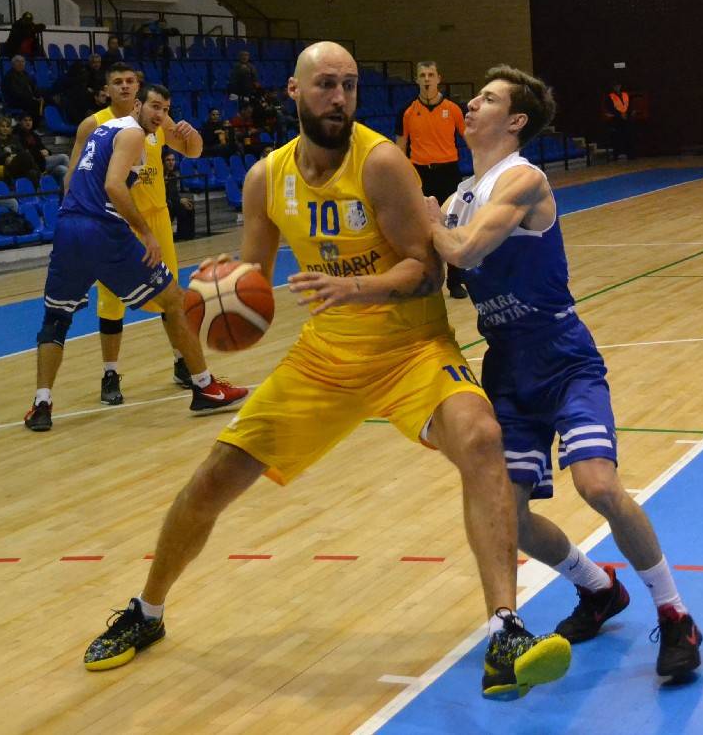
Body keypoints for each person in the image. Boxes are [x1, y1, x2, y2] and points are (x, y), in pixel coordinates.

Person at [79, 42, 571, 701]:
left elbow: (425, 269)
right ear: (294, 90)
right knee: (212, 479)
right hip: (325, 357)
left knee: (482, 440)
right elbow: (254, 270)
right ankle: (147, 610)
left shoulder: (382, 164)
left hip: (410, 350)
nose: (338, 98)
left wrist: (357, 290)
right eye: (325, 86)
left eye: (349, 86)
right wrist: (220, 289)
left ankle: (506, 629)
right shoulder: (266, 178)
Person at [424, 65, 703, 680]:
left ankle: (676, 612)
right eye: (474, 96)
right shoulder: (454, 201)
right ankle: (598, 587)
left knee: (598, 486)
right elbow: (440, 275)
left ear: (516, 120)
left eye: (487, 98)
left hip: (562, 358)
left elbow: (467, 250)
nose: (470, 103)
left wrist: (426, 226)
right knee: (511, 516)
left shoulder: (523, 179)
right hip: (505, 368)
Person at [24, 87, 248, 430]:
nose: (160, 115)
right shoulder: (131, 134)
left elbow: (74, 180)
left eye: (166, 109)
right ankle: (205, 387)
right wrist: (144, 233)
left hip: (69, 227)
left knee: (56, 319)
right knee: (175, 300)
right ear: (138, 105)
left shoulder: (104, 130)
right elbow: (115, 186)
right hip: (103, 229)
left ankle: (42, 404)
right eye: (155, 107)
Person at [65, 68, 214, 400]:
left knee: (171, 296)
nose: (124, 86)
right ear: (106, 89)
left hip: (157, 218)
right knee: (112, 301)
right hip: (116, 220)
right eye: (117, 82)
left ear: (138, 88)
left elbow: (193, 151)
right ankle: (109, 374)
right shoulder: (94, 124)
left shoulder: (157, 118)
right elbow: (74, 173)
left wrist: (192, 135)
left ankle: (181, 362)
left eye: (130, 81)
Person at [396, 60, 468, 299]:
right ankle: (428, 279)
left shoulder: (454, 109)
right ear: (417, 79)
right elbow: (400, 149)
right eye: (422, 75)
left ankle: (456, 281)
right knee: (422, 230)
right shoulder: (406, 111)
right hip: (420, 174)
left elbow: (471, 140)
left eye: (431, 74)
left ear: (439, 78)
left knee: (452, 224)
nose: (427, 79)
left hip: (448, 172)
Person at [0, 116, 42, 184]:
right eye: (2, 126)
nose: (5, 129)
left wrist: (12, 156)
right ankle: (40, 174)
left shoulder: (14, 139)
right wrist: (8, 156)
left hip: (19, 163)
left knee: (31, 173)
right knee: (26, 155)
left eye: (7, 126)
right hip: (6, 167)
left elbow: (21, 150)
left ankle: (36, 186)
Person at [15, 112, 69, 180]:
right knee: (64, 157)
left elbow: (43, 148)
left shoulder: (34, 135)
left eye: (30, 120)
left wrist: (47, 151)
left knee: (63, 169)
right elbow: (25, 153)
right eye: (25, 120)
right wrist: (40, 153)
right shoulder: (18, 136)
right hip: (35, 164)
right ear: (20, 122)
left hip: (43, 160)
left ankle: (68, 189)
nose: (28, 122)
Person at [162, 150, 195, 240]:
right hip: (164, 203)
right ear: (163, 162)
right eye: (168, 160)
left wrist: (181, 199)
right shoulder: (159, 177)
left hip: (172, 201)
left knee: (189, 204)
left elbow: (174, 193)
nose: (171, 162)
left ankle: (187, 234)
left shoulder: (173, 176)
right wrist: (179, 200)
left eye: (173, 160)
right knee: (178, 206)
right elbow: (163, 196)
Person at [2, 55, 43, 122]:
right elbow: (15, 93)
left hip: (26, 99)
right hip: (14, 101)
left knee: (46, 100)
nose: (21, 64)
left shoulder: (25, 74)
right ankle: (33, 125)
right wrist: (32, 98)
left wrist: (39, 96)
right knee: (34, 104)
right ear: (13, 64)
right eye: (18, 62)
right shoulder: (10, 76)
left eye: (23, 61)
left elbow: (33, 87)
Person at [605, 81, 634, 161]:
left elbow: (629, 105)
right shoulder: (610, 96)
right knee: (617, 138)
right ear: (613, 87)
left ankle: (630, 155)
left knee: (629, 137)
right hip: (617, 120)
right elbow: (610, 108)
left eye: (618, 85)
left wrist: (627, 114)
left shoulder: (625, 95)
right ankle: (616, 155)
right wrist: (620, 114)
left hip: (627, 119)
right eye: (615, 86)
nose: (617, 87)